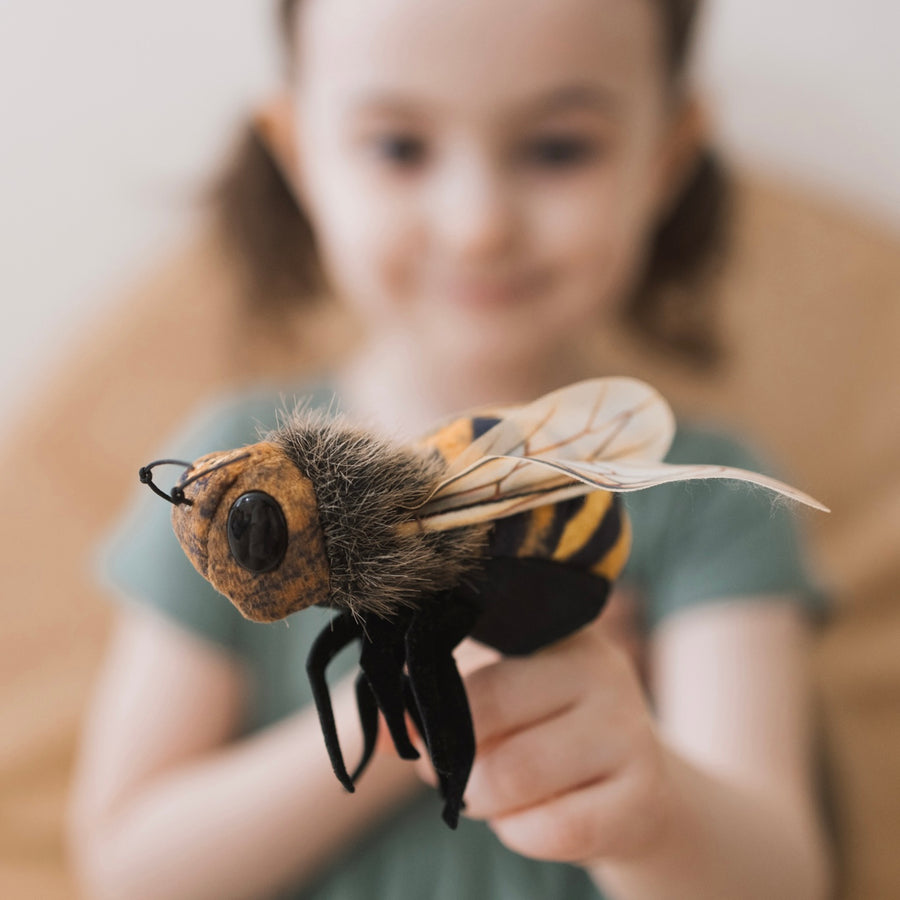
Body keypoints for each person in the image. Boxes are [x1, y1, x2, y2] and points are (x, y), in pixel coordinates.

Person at [67, 0, 832, 897]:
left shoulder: (709, 503)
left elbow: (783, 879)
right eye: (399, 147)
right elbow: (127, 871)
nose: (478, 225)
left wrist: (651, 808)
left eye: (558, 148)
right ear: (299, 153)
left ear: (665, 156)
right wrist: (415, 713)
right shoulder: (228, 469)